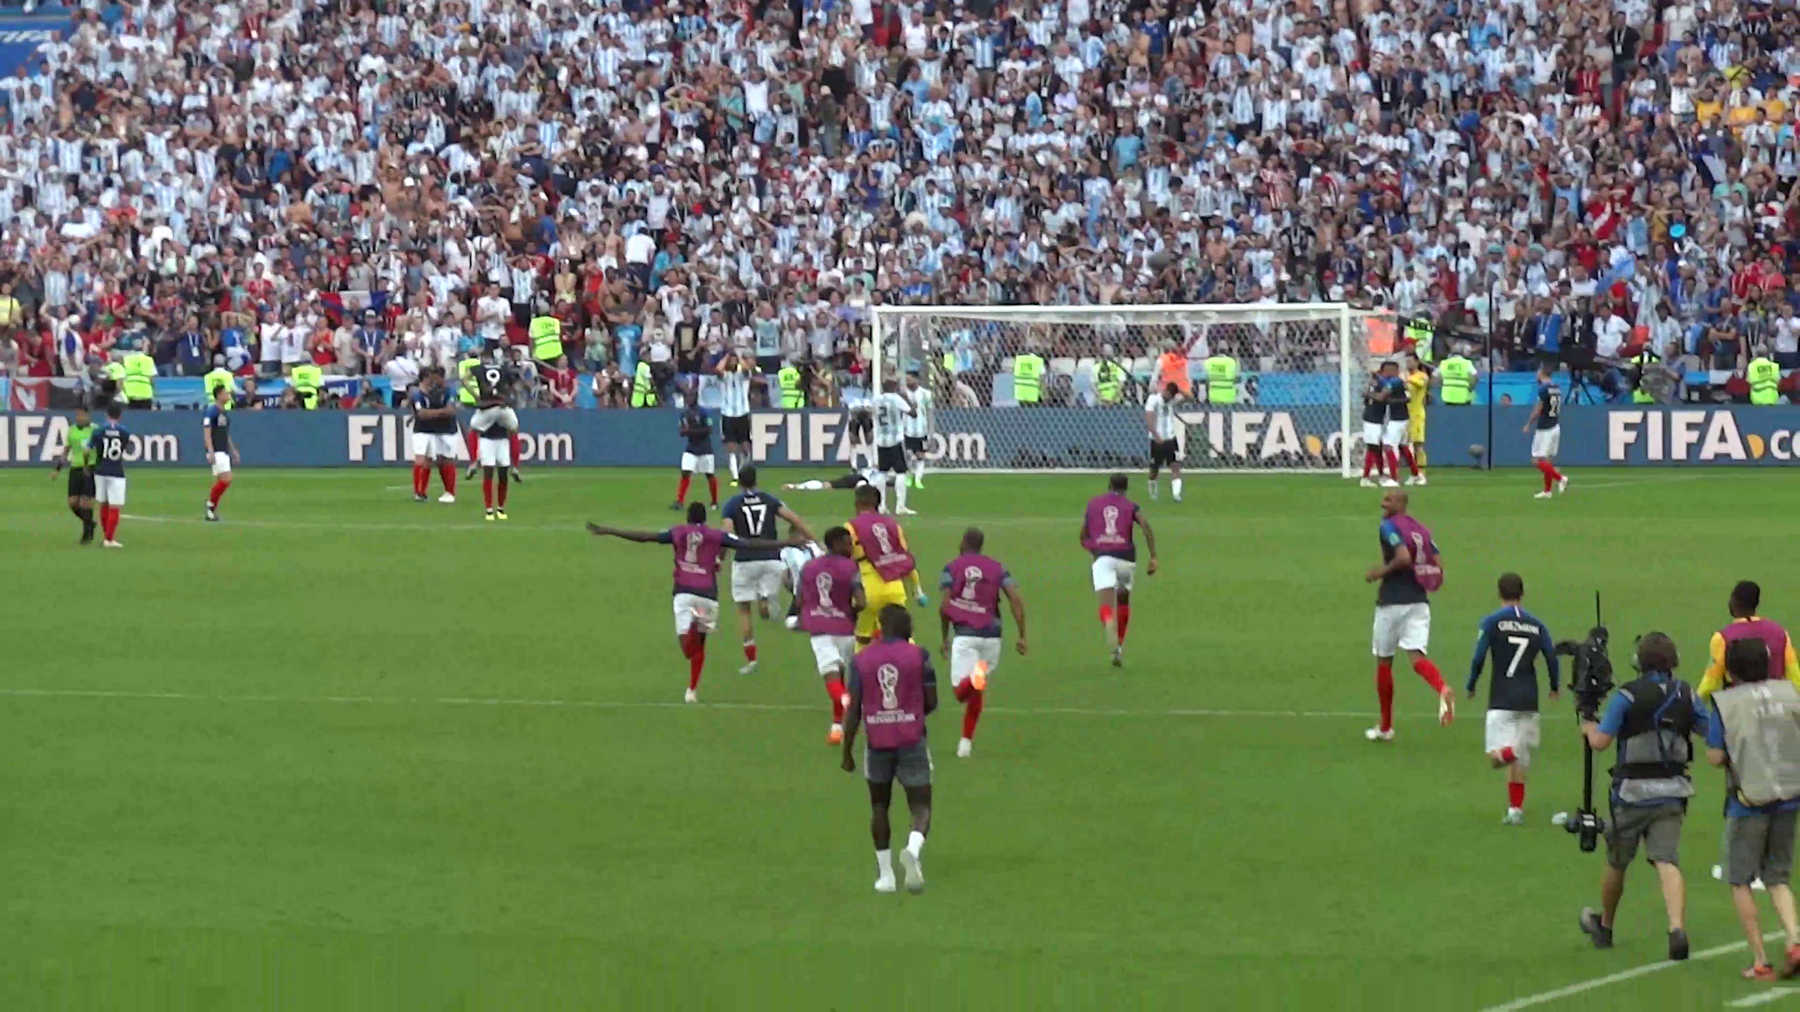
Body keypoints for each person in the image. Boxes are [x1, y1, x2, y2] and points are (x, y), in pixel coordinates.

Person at [1578, 632, 1705, 962]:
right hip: (1673, 791)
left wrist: (1588, 726)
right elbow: (1710, 731)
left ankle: (1605, 926)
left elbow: (1601, 742)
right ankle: (1676, 928)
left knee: (1617, 861)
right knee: (1666, 860)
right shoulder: (1686, 693)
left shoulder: (1627, 696)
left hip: (1631, 794)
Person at [586, 504, 789, 703]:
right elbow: (748, 544)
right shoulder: (716, 535)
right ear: (704, 520)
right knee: (700, 646)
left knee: (687, 649)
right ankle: (692, 690)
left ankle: (692, 635)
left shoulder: (678, 532)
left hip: (684, 592)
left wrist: (610, 530)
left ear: (688, 518)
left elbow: (645, 537)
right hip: (707, 595)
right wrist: (786, 543)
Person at [1705, 637, 1800, 981]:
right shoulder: (1789, 692)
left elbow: (1715, 756)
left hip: (1748, 801)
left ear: (1730, 670)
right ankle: (1795, 938)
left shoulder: (1727, 704)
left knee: (1740, 878)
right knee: (1778, 877)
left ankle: (1760, 958)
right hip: (1790, 794)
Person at [841, 605, 937, 894]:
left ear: (881, 627)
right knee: (921, 806)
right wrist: (912, 713)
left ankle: (885, 876)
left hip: (877, 741)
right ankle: (913, 848)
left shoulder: (861, 660)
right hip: (912, 738)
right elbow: (931, 701)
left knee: (879, 806)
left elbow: (854, 709)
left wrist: (846, 751)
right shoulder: (920, 656)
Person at [1467, 573, 1559, 824]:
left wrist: (1471, 684)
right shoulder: (1537, 625)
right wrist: (1554, 686)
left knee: (1498, 758)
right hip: (1530, 698)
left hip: (1502, 698)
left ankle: (1514, 753)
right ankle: (1515, 810)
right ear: (1522, 594)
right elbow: (1551, 656)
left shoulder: (1492, 622)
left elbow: (1479, 656)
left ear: (1499, 594)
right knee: (1519, 763)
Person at [1363, 489, 1453, 741]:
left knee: (1384, 661)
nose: (1383, 503)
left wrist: (1379, 572)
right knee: (1416, 657)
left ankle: (1385, 727)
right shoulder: (1421, 529)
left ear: (1401, 503)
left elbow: (1402, 558)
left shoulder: (1389, 526)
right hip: (1419, 602)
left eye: (1388, 499)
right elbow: (1437, 564)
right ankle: (1442, 687)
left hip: (1392, 602)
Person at [938, 527, 1027, 759]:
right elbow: (1015, 598)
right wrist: (1022, 635)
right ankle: (965, 743)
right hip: (992, 636)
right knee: (977, 690)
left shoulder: (951, 567)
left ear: (962, 543)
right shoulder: (997, 567)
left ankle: (976, 677)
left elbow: (944, 606)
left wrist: (944, 637)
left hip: (966, 635)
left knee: (961, 692)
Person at [721, 465, 815, 674]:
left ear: (740, 482)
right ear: (756, 480)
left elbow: (726, 533)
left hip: (744, 559)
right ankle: (765, 597)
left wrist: (720, 558)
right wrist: (814, 539)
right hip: (771, 557)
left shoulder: (732, 504)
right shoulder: (769, 499)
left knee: (744, 610)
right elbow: (794, 519)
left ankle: (751, 660)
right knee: (771, 592)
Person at [1081, 473, 1159, 667]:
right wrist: (1153, 556)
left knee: (1106, 603)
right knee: (1123, 598)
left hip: (1103, 557)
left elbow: (1083, 535)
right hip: (1125, 557)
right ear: (1126, 488)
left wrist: (1094, 548)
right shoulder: (1131, 506)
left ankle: (1108, 621)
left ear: (1109, 485)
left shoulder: (1093, 504)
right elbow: (1146, 526)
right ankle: (1120, 646)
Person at [799, 526, 865, 745]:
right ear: (835, 543)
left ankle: (849, 705)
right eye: (848, 543)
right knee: (841, 675)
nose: (851, 547)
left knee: (831, 677)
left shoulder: (809, 567)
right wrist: (851, 612)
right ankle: (837, 727)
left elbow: (799, 600)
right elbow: (861, 602)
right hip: (845, 629)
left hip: (820, 629)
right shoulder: (851, 568)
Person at [846, 484, 927, 647]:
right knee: (900, 635)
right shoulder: (893, 525)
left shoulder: (851, 526)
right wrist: (918, 590)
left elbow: (844, 560)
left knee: (863, 639)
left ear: (857, 504)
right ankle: (912, 665)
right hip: (894, 588)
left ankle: (861, 671)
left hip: (867, 590)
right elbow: (906, 559)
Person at [1698, 581, 1800, 700]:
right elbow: (1794, 676)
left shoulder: (1723, 638)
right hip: (1775, 706)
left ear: (1734, 602)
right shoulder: (1780, 633)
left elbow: (1710, 682)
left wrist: (1694, 707)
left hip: (1741, 708)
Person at [470, 353, 518, 520]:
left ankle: (498, 508)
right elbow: (514, 381)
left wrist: (476, 396)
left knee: (499, 473)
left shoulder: (480, 372)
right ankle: (491, 508)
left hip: (498, 438)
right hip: (489, 439)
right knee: (491, 473)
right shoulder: (502, 373)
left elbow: (464, 377)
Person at [409, 367, 461, 504]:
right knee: (437, 460)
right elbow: (421, 413)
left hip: (448, 430)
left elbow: (450, 411)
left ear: (440, 378)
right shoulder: (429, 392)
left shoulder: (450, 391)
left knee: (447, 459)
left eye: (435, 378)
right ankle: (421, 492)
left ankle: (450, 492)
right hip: (436, 430)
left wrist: (432, 413)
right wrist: (440, 412)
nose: (433, 381)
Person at [51, 403, 97, 544]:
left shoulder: (95, 430)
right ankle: (90, 523)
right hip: (75, 468)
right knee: (72, 503)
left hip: (90, 468)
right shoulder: (71, 430)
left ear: (87, 415)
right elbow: (66, 450)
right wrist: (58, 469)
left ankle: (86, 535)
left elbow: (102, 448)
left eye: (81, 415)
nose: (78, 417)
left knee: (85, 503)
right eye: (77, 415)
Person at [1523, 364, 1569, 499]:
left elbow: (1538, 409)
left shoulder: (1543, 389)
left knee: (1536, 460)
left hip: (1545, 428)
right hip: (1555, 426)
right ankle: (1547, 491)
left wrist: (1528, 424)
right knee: (1547, 461)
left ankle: (1560, 478)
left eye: (1538, 372)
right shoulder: (1556, 388)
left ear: (1541, 373)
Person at [871, 379, 915, 514]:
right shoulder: (896, 399)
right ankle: (900, 506)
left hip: (880, 439)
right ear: (894, 387)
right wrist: (907, 399)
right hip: (895, 439)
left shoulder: (876, 400)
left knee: (882, 472)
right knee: (901, 472)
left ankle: (881, 505)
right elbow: (913, 413)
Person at [89, 402, 130, 548]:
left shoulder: (98, 430)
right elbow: (123, 448)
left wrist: (89, 464)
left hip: (100, 470)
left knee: (104, 503)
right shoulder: (125, 432)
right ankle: (109, 539)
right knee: (115, 506)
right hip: (116, 471)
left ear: (106, 415)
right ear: (120, 416)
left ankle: (107, 535)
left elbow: (88, 449)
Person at [201, 384, 240, 522]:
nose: (228, 395)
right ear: (218, 395)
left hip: (223, 450)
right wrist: (210, 450)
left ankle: (211, 510)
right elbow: (207, 432)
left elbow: (225, 433)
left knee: (223, 480)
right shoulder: (211, 411)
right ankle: (210, 505)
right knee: (226, 479)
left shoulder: (224, 412)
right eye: (225, 393)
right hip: (216, 450)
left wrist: (233, 450)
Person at [716, 352, 756, 485]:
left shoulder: (743, 375)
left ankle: (744, 470)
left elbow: (746, 369)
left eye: (735, 361)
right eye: (731, 361)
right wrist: (726, 356)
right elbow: (718, 369)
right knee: (731, 446)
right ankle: (735, 476)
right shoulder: (724, 376)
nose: (733, 363)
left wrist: (739, 356)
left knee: (745, 445)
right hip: (727, 413)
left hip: (742, 413)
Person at [1379, 359, 1421, 485]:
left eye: (1387, 370)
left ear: (1394, 371)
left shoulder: (1395, 381)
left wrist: (1370, 395)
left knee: (1388, 446)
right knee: (1403, 447)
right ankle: (1416, 475)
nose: (1385, 372)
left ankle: (1394, 478)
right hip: (1402, 418)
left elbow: (1383, 395)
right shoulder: (1399, 382)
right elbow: (1407, 397)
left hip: (1397, 420)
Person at [674, 394, 719, 511]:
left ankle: (714, 501)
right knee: (685, 473)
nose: (687, 399)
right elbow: (681, 431)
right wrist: (684, 431)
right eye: (686, 397)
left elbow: (709, 429)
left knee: (709, 475)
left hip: (705, 448)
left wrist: (690, 431)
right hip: (691, 448)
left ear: (695, 398)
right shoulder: (684, 414)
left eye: (690, 397)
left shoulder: (703, 412)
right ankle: (679, 501)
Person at [1143, 381, 1184, 503]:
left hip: (1171, 438)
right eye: (1168, 395)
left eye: (1172, 396)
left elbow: (1189, 397)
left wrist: (1180, 389)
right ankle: (1153, 489)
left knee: (1175, 466)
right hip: (1157, 440)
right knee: (1154, 469)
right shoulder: (1153, 399)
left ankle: (1176, 494)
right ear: (1165, 391)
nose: (1169, 398)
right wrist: (1155, 435)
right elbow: (1149, 418)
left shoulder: (1172, 401)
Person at [1358, 369, 1394, 488]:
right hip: (1372, 419)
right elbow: (1379, 398)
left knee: (1376, 448)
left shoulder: (1376, 384)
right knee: (1373, 447)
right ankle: (1365, 478)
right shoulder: (1380, 384)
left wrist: (1368, 393)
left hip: (1375, 418)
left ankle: (1381, 475)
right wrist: (1369, 393)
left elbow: (1366, 397)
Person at [1403, 353, 1432, 485]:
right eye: (1406, 362)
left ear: (1417, 362)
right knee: (1406, 446)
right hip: (1404, 415)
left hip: (1417, 415)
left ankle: (1422, 475)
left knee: (1418, 446)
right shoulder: (1406, 377)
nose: (1408, 364)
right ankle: (1414, 474)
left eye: (1410, 361)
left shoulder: (1422, 376)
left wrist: (1405, 380)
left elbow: (1420, 384)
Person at [902, 373, 934, 490]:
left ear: (917, 379)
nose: (907, 381)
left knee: (920, 455)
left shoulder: (926, 394)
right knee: (908, 455)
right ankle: (909, 477)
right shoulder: (903, 394)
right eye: (906, 379)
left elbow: (930, 413)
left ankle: (918, 479)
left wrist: (931, 431)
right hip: (907, 430)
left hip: (921, 431)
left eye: (909, 379)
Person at [783, 471, 878, 492]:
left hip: (847, 480)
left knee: (823, 485)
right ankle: (793, 486)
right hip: (847, 481)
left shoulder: (859, 478)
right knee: (823, 485)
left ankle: (793, 486)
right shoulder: (861, 480)